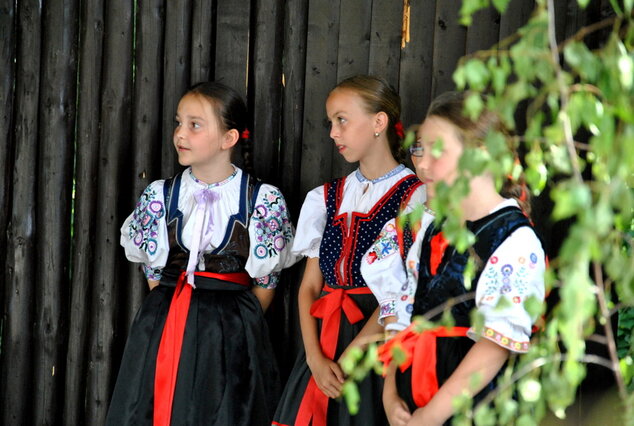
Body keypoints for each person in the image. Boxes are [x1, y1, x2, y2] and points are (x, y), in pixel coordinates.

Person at [106, 82, 297, 426]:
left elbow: (268, 278)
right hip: (163, 322)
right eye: (179, 123)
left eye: (195, 125)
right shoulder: (160, 194)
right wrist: (179, 314)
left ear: (229, 139)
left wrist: (236, 323)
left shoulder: (261, 199)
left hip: (231, 327)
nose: (181, 133)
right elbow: (152, 269)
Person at [378, 91, 546, 426]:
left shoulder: (514, 239)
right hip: (412, 403)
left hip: (472, 409)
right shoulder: (433, 227)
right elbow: (407, 309)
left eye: (437, 150)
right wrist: (390, 391)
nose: (422, 164)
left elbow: (493, 347)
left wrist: (432, 416)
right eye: (420, 148)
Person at [272, 75, 426, 426]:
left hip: (376, 342)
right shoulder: (324, 197)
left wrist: (352, 355)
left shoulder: (415, 197)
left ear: (378, 122)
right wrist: (313, 357)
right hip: (323, 345)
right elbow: (310, 287)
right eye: (330, 122)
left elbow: (404, 291)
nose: (332, 133)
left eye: (342, 119)